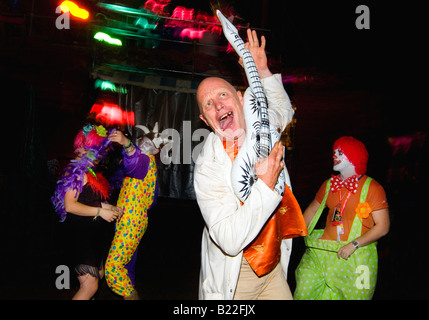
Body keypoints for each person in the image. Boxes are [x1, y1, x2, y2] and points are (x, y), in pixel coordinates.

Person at [194, 29, 307, 300]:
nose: (218, 106)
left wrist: (264, 71)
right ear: (205, 120)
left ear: (241, 99)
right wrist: (265, 188)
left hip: (273, 270)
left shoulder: (261, 127)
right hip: (237, 277)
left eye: (223, 95)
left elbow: (283, 110)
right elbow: (229, 241)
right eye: (209, 104)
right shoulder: (207, 166)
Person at [294, 136, 390, 300]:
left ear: (354, 156)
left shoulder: (373, 188)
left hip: (354, 258)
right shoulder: (329, 185)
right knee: (303, 293)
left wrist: (354, 244)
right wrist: (290, 234)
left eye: (340, 152)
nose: (334, 155)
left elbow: (383, 226)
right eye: (334, 152)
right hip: (320, 253)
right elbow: (310, 212)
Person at [52, 124, 123, 300]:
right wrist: (100, 211)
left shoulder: (89, 172)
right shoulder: (77, 173)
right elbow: (70, 205)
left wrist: (110, 208)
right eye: (97, 149)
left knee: (98, 274)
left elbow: (88, 200)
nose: (100, 155)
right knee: (90, 285)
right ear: (84, 149)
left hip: (90, 236)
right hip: (79, 236)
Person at [105, 129, 158, 300]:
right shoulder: (146, 163)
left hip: (132, 221)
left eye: (146, 142)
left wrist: (127, 145)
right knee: (127, 266)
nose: (142, 143)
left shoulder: (145, 160)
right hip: (129, 220)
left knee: (113, 268)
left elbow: (134, 162)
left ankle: (131, 296)